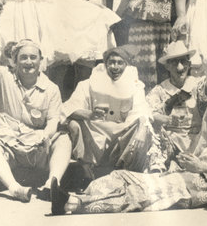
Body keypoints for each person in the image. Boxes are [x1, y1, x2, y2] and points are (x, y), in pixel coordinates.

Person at [48, 96, 207, 215]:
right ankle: (77, 197)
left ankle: (72, 203)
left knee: (134, 195)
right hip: (178, 178)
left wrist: (203, 168)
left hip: (190, 190)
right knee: (121, 176)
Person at [0, 39, 73, 204]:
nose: (28, 62)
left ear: (40, 61)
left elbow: (53, 121)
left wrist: (46, 135)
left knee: (64, 139)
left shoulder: (51, 89)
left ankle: (51, 185)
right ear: (15, 62)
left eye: (33, 57)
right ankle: (15, 188)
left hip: (37, 147)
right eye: (23, 58)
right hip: (10, 147)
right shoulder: (3, 77)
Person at [61, 47, 154, 181]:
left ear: (126, 65)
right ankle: (87, 169)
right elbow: (69, 108)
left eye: (119, 63)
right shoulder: (88, 83)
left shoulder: (136, 85)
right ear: (105, 65)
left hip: (122, 132)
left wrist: (141, 130)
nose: (115, 67)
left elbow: (142, 111)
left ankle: (123, 172)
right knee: (75, 123)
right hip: (96, 131)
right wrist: (90, 114)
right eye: (111, 62)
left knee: (142, 128)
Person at [147, 40, 207, 163]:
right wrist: (162, 118)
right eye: (175, 62)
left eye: (183, 61)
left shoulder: (196, 83)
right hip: (170, 141)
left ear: (189, 63)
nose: (180, 67)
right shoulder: (160, 90)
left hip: (196, 140)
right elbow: (148, 113)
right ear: (167, 66)